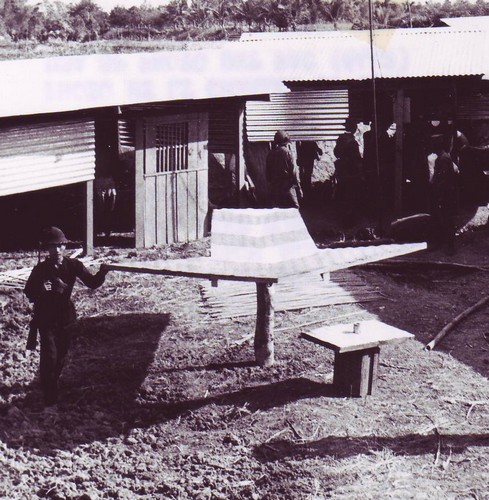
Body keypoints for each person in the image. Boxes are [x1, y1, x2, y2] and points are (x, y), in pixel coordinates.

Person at [24, 226, 109, 407]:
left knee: (61, 357)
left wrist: (103, 272)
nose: (57, 250)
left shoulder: (73, 266)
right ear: (47, 249)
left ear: (65, 247)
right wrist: (41, 289)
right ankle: (50, 400)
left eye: (60, 246)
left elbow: (92, 283)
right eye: (53, 246)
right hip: (46, 319)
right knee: (50, 356)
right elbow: (28, 291)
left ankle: (51, 383)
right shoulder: (40, 269)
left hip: (66, 318)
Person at [430, 135, 459, 254]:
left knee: (447, 220)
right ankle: (444, 244)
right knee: (444, 219)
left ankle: (450, 247)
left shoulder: (442, 159)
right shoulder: (444, 157)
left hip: (445, 195)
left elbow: (443, 180)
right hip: (446, 194)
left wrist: (439, 195)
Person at [333, 118, 364, 224]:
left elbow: (336, 153)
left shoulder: (340, 139)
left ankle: (342, 217)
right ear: (354, 129)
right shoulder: (353, 143)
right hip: (351, 172)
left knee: (343, 193)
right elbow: (356, 160)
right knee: (352, 196)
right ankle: (349, 220)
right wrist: (360, 173)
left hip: (342, 171)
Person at [266, 130, 302, 208]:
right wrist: (298, 187)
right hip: (287, 186)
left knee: (276, 210)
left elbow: (267, 174)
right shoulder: (287, 152)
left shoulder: (270, 154)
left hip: (274, 186)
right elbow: (294, 172)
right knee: (294, 208)